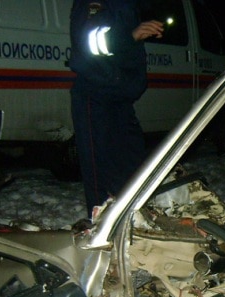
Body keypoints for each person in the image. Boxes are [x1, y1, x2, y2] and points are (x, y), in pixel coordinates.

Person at [69, 1, 164, 218]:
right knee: (101, 177)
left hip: (121, 97)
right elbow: (88, 43)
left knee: (132, 170)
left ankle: (131, 224)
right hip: (97, 95)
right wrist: (131, 36)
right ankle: (101, 229)